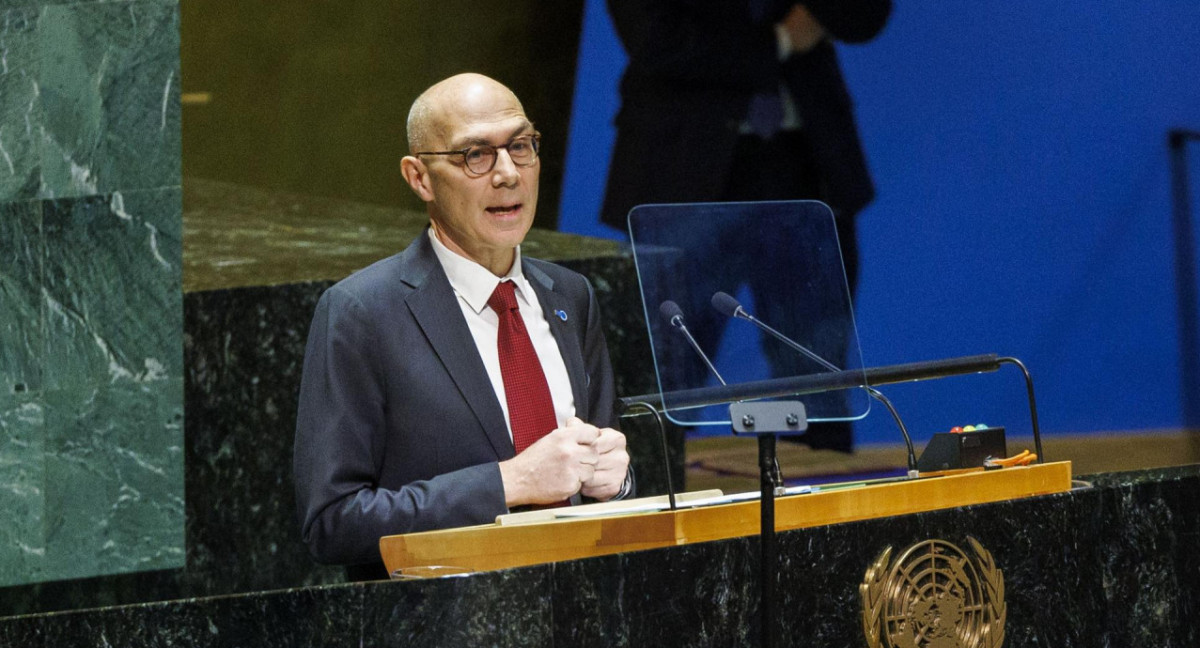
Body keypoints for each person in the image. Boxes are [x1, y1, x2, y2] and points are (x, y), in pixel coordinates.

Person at [294, 73, 632, 578]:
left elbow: (603, 469)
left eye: (520, 146)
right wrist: (508, 484)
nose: (507, 173)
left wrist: (618, 482)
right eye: (475, 154)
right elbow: (332, 522)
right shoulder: (361, 313)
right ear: (419, 177)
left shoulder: (571, 297)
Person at [601, 0, 891, 452]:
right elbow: (656, 39)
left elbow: (864, 15)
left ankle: (824, 520)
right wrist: (779, 42)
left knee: (817, 379)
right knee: (664, 383)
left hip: (806, 167)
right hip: (682, 176)